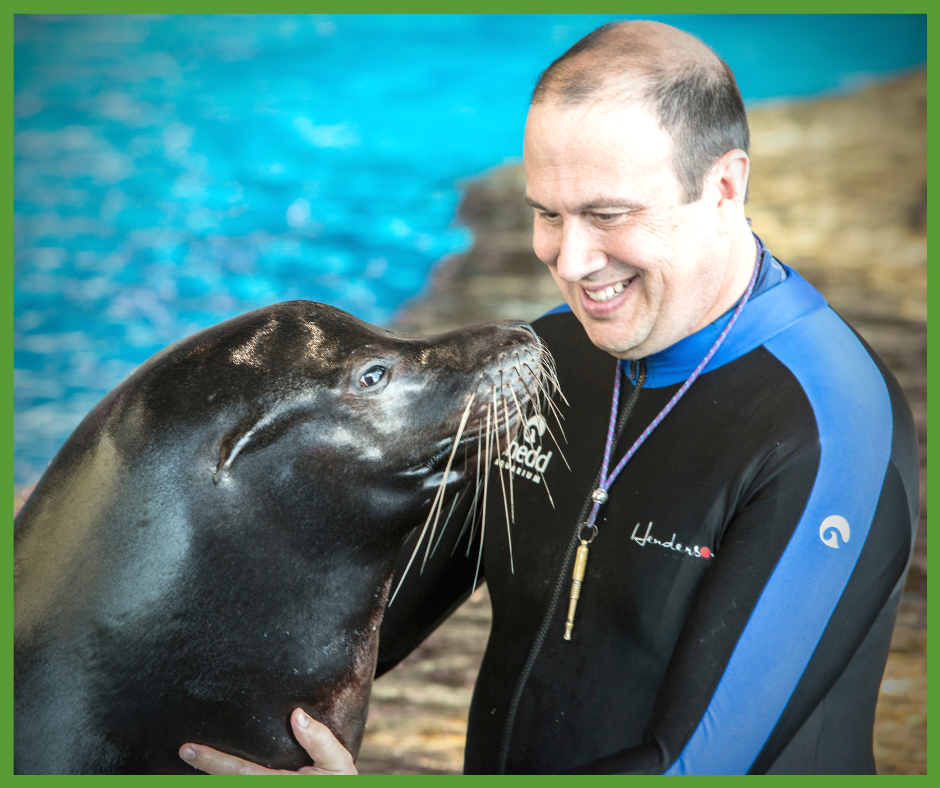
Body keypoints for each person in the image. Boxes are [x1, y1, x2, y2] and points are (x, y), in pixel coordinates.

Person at [181, 20, 919, 775]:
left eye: (607, 214)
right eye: (547, 213)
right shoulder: (549, 359)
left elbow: (694, 768)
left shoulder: (829, 428)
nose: (569, 260)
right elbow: (366, 612)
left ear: (724, 187)